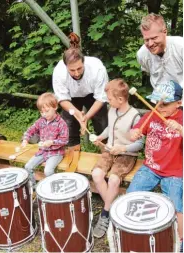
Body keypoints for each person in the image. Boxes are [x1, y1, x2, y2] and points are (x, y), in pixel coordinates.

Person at [127, 80, 183, 249]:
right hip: (150, 168)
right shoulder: (151, 115)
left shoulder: (182, 117)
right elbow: (132, 134)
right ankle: (135, 233)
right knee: (131, 197)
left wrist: (180, 129)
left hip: (175, 171)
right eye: (157, 103)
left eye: (165, 104)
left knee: (176, 206)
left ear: (179, 103)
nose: (160, 107)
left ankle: (180, 240)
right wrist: (134, 133)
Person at [92, 79, 144, 238]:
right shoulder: (112, 110)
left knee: (114, 179)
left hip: (127, 154)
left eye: (110, 99)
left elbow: (140, 144)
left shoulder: (135, 116)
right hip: (110, 150)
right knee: (96, 174)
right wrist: (100, 136)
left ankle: (106, 214)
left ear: (120, 100)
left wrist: (122, 148)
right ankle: (114, 207)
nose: (108, 101)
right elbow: (110, 128)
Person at [52, 33, 109, 148]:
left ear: (84, 62)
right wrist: (77, 113)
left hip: (93, 96)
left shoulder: (97, 68)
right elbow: (62, 98)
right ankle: (74, 157)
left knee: (102, 125)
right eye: (72, 70)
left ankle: (106, 155)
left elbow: (101, 97)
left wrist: (86, 117)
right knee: (70, 127)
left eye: (79, 68)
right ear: (65, 66)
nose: (76, 73)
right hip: (71, 98)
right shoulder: (59, 72)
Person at [22, 92, 69, 187]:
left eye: (47, 111)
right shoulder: (41, 121)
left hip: (56, 153)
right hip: (43, 151)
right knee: (28, 167)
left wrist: (52, 142)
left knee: (48, 171)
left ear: (55, 107)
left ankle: (54, 187)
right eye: (41, 112)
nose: (44, 114)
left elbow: (65, 140)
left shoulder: (61, 123)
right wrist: (25, 139)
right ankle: (34, 188)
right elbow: (31, 130)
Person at [137, 13, 183, 89]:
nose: (150, 44)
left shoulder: (181, 46)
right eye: (146, 39)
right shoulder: (142, 54)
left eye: (154, 38)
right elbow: (147, 70)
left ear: (164, 32)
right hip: (158, 99)